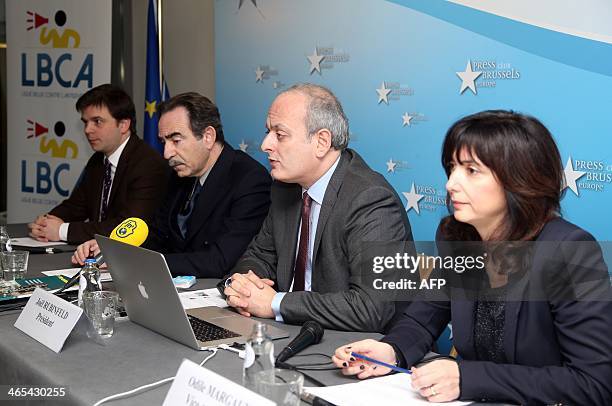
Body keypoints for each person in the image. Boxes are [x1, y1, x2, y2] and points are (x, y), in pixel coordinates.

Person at [332, 110, 612, 404]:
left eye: (471, 170)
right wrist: (390, 350)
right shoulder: (459, 238)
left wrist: (469, 378)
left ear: (519, 179)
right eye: (452, 168)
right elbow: (421, 320)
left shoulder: (567, 250)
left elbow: (594, 384)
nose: (451, 184)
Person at [222, 83, 414, 332]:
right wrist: (243, 286)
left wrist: (275, 303)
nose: (265, 145)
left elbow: (371, 308)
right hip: (295, 332)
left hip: (366, 350)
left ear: (322, 142)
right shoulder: (285, 188)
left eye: (280, 135)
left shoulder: (371, 200)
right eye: (268, 132)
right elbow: (258, 257)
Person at [73, 92, 271, 278]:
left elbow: (220, 260)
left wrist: (138, 262)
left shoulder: (249, 179)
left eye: (176, 140)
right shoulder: (178, 174)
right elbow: (157, 235)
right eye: (163, 142)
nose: (167, 153)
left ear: (208, 137)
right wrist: (112, 249)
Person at [28, 84, 169, 244]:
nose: (88, 130)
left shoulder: (148, 165)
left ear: (123, 125)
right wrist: (47, 222)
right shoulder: (98, 160)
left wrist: (61, 231)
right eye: (85, 122)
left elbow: (125, 229)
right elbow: (76, 206)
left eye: (97, 121)